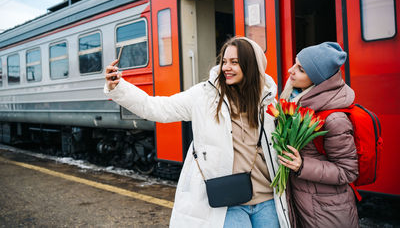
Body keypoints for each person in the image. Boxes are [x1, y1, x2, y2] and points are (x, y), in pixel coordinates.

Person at [104, 37, 291, 228]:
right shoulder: (204, 96)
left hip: (267, 199)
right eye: (224, 62)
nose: (226, 67)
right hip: (229, 201)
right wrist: (119, 88)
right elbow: (158, 108)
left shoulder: (269, 104)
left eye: (234, 62)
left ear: (251, 65)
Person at [278, 42, 359, 227]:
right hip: (307, 203)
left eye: (301, 69)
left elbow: (348, 171)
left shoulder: (334, 119)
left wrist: (302, 165)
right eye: (295, 63)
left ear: (316, 80)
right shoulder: (297, 103)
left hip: (327, 213)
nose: (290, 70)